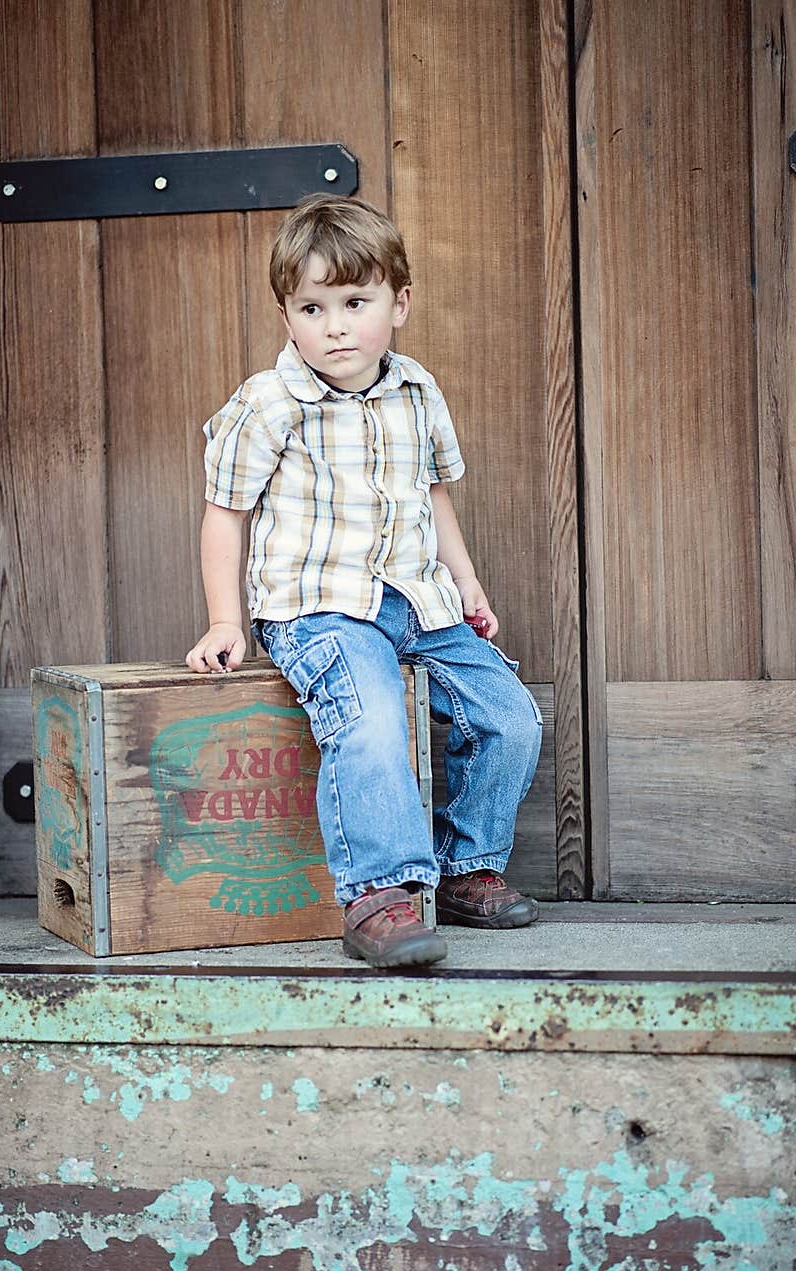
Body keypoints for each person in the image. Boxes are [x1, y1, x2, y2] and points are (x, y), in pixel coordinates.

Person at [186, 194, 543, 969]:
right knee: (371, 715)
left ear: (399, 303)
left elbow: (433, 493)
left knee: (510, 715)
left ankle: (466, 866)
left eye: (356, 302)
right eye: (312, 307)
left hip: (416, 599)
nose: (336, 326)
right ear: (288, 317)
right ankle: (378, 895)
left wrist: (467, 584)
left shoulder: (417, 390)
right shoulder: (270, 402)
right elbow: (225, 512)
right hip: (320, 611)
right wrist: (225, 620)